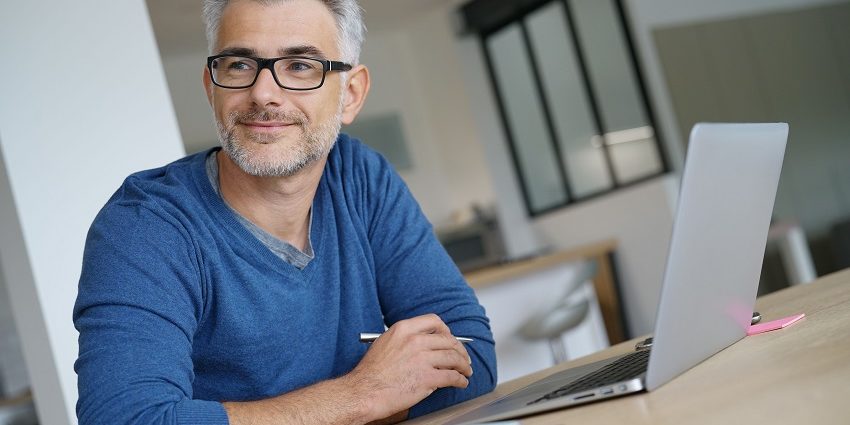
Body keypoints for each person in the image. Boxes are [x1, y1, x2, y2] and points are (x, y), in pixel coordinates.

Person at [72, 0, 497, 423]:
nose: (263, 93)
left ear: (350, 95)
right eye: (239, 64)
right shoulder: (145, 227)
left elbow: (470, 352)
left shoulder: (361, 179)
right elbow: (125, 419)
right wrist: (360, 394)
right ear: (211, 86)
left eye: (299, 66)